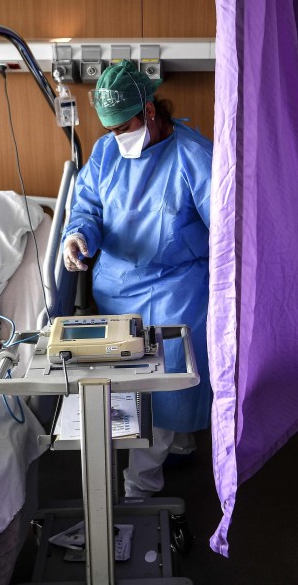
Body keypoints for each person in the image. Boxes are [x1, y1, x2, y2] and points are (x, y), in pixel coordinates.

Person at [62, 59, 212, 498]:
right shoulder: (107, 152)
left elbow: (229, 230)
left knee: (167, 388)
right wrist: (76, 237)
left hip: (176, 287)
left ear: (148, 111)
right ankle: (173, 442)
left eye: (122, 126)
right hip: (115, 285)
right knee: (123, 389)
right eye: (108, 129)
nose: (114, 137)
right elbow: (87, 204)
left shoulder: (194, 156)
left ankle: (140, 487)